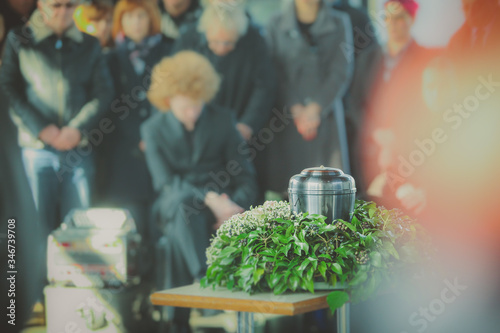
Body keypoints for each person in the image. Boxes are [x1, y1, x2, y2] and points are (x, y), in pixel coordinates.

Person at [0, 0, 113, 291]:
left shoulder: (89, 44)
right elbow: (9, 89)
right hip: (36, 149)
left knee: (80, 227)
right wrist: (42, 129)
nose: (62, 11)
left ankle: (79, 296)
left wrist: (77, 128)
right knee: (32, 227)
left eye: (69, 5)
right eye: (56, 5)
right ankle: (27, 296)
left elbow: (103, 91)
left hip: (78, 148)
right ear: (41, 4)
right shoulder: (20, 39)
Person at [142, 50, 257, 333]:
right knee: (183, 204)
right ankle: (206, 279)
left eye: (198, 105)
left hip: (221, 205)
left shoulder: (223, 119)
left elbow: (245, 176)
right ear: (168, 100)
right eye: (185, 107)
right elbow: (165, 183)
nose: (192, 112)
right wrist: (208, 199)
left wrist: (233, 210)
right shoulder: (152, 129)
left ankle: (194, 301)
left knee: (186, 219)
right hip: (173, 202)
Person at [97, 0, 174, 281]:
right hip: (122, 156)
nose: (136, 23)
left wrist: (153, 135)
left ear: (151, 18)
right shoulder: (111, 58)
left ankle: (163, 292)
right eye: (128, 17)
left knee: (160, 227)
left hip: (162, 154)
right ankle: (134, 294)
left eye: (141, 15)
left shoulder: (169, 52)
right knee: (130, 227)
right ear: (121, 22)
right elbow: (108, 105)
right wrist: (138, 136)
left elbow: (172, 100)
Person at [261, 0, 353, 196]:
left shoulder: (340, 21)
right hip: (285, 117)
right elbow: (273, 70)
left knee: (329, 191)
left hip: (324, 116)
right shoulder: (275, 23)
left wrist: (315, 108)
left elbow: (341, 70)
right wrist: (295, 107)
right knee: (288, 192)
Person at [359, 0, 439, 212]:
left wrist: (397, 134)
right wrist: (374, 132)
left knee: (405, 220)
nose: (393, 24)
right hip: (370, 154)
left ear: (411, 19)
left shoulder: (426, 58)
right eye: (388, 17)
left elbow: (429, 108)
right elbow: (355, 103)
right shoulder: (368, 59)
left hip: (410, 155)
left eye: (400, 17)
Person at [173, 3, 275, 142]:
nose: (221, 49)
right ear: (205, 31)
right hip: (196, 128)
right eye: (214, 42)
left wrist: (248, 123)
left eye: (228, 43)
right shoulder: (189, 39)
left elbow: (264, 86)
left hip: (239, 124)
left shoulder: (254, 40)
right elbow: (173, 84)